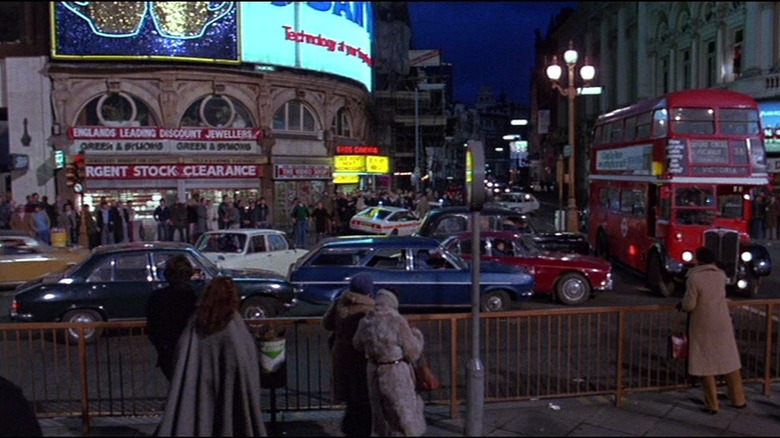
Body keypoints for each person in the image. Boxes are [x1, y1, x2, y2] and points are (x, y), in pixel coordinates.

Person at [156, 277, 267, 436]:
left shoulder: (196, 322)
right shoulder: (233, 324)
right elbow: (246, 359)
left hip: (200, 388)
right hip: (230, 389)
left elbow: (182, 355)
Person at [678, 246, 747, 415]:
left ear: (698, 260)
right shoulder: (720, 275)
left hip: (703, 324)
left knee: (705, 364)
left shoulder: (694, 278)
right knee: (729, 361)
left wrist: (681, 306)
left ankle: (712, 404)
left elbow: (690, 304)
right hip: (722, 322)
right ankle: (739, 399)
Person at [352, 289, 427, 436]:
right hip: (395, 370)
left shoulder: (366, 320)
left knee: (380, 414)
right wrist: (418, 336)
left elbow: (357, 343)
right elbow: (412, 353)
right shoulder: (397, 321)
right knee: (403, 414)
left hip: (373, 370)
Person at [322, 272, 376, 437]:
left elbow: (326, 324)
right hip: (361, 358)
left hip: (341, 356)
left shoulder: (340, 303)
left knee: (351, 400)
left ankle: (350, 429)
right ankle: (360, 430)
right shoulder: (371, 308)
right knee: (364, 399)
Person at [146, 255, 198, 382]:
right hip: (189, 352)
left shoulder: (157, 297)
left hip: (167, 352)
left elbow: (152, 328)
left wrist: (162, 347)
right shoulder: (192, 297)